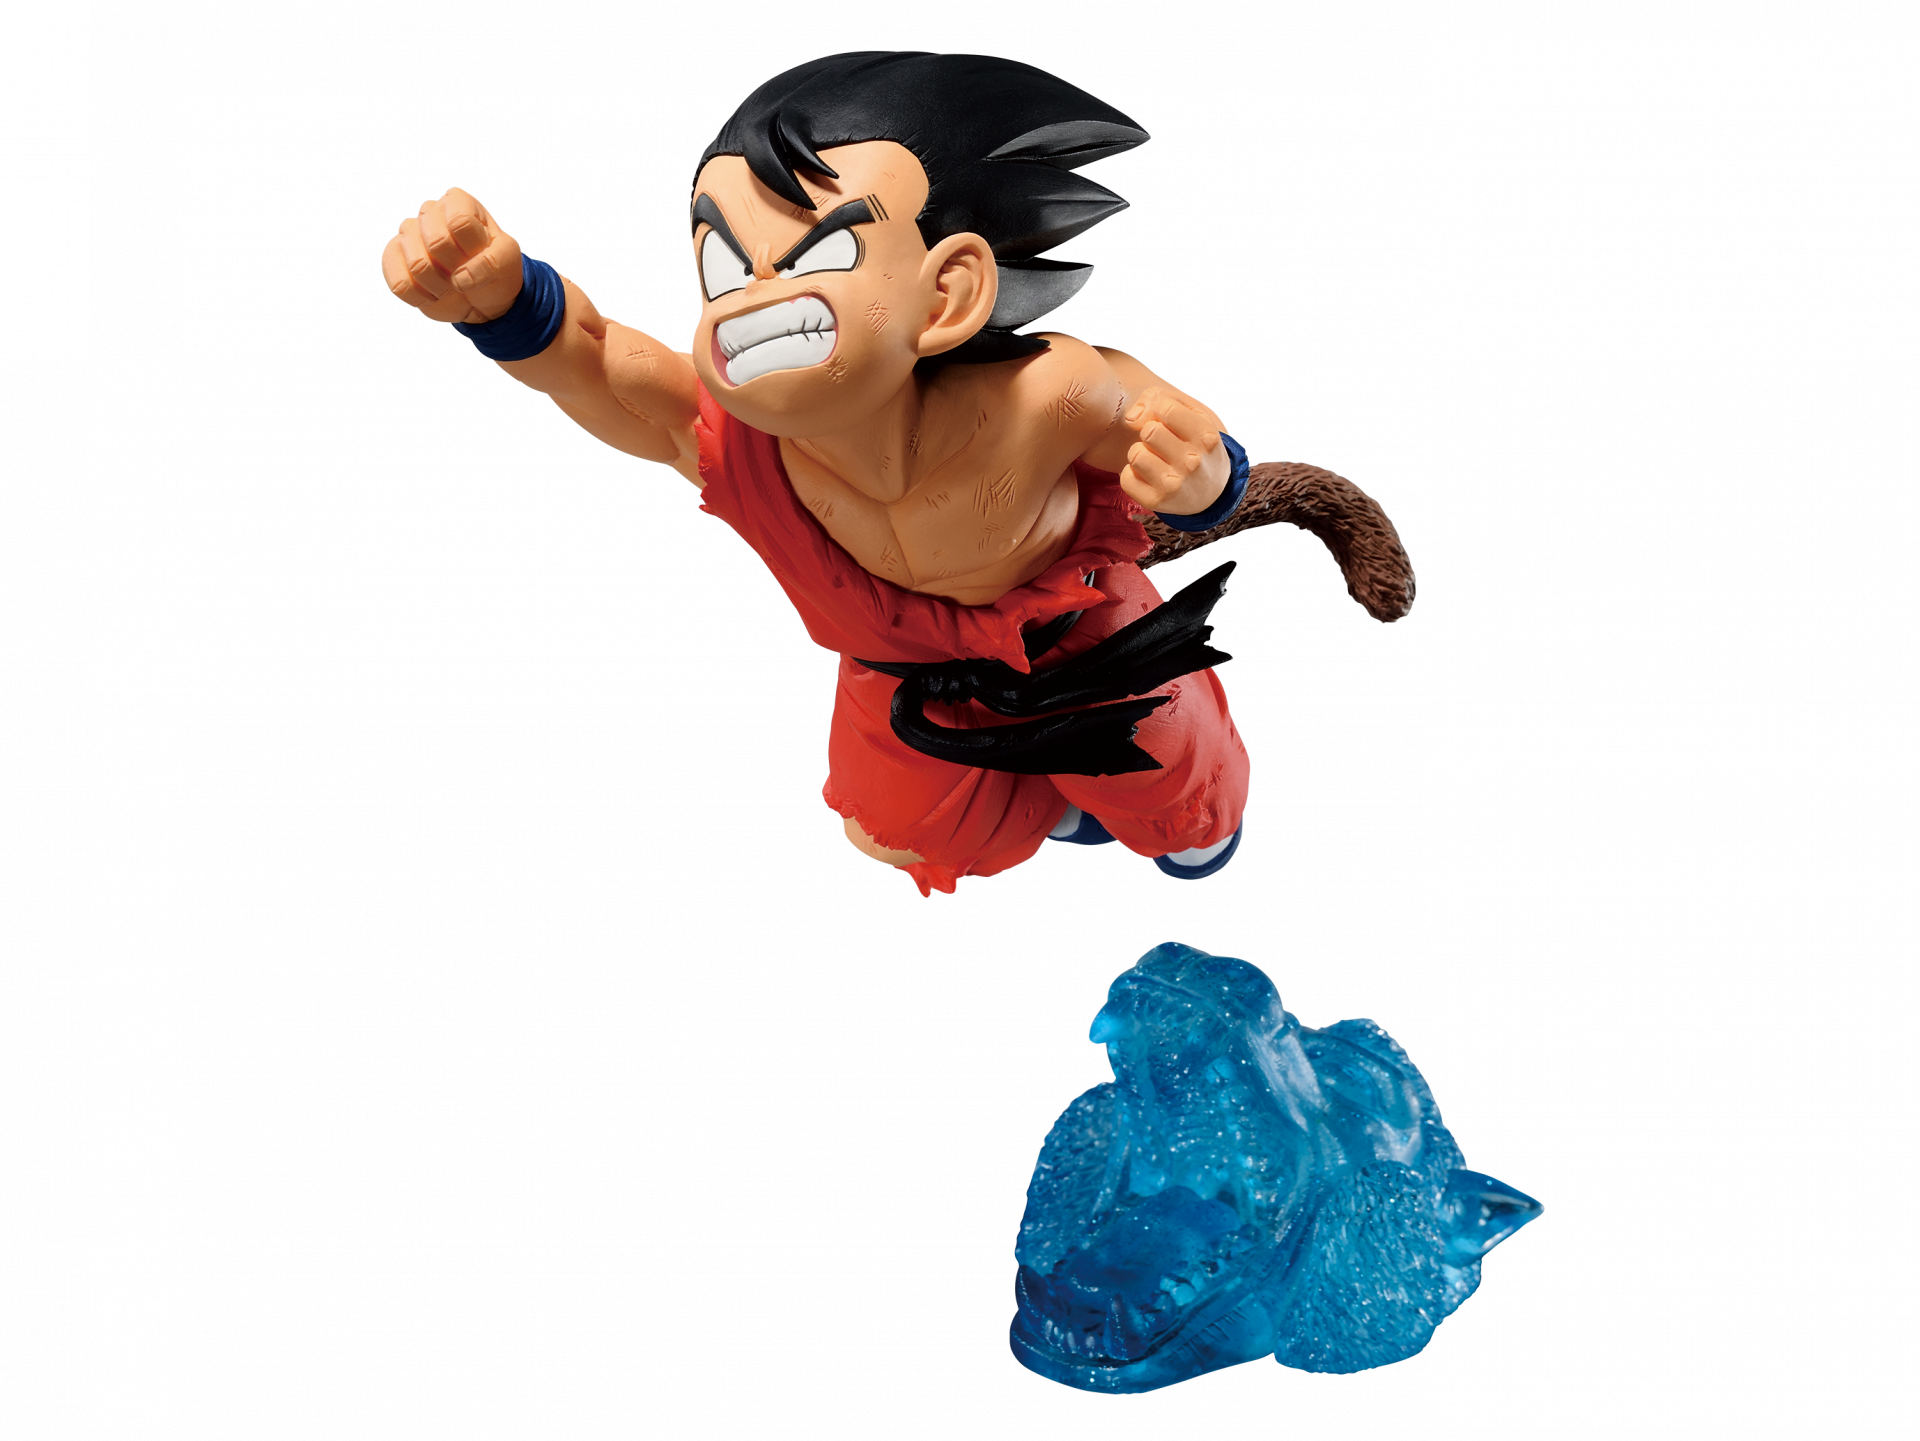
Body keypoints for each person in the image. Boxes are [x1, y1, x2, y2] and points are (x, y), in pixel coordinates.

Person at [380, 51, 1254, 897]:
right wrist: (506, 306)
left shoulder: (1047, 395)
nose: (755, 292)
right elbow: (603, 365)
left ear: (947, 293)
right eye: (723, 267)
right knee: (887, 831)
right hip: (909, 676)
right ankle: (1053, 804)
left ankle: (1131, 799)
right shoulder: (735, 438)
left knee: (1190, 820)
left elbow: (1161, 419)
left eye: (818, 254)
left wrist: (1203, 477)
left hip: (1083, 638)